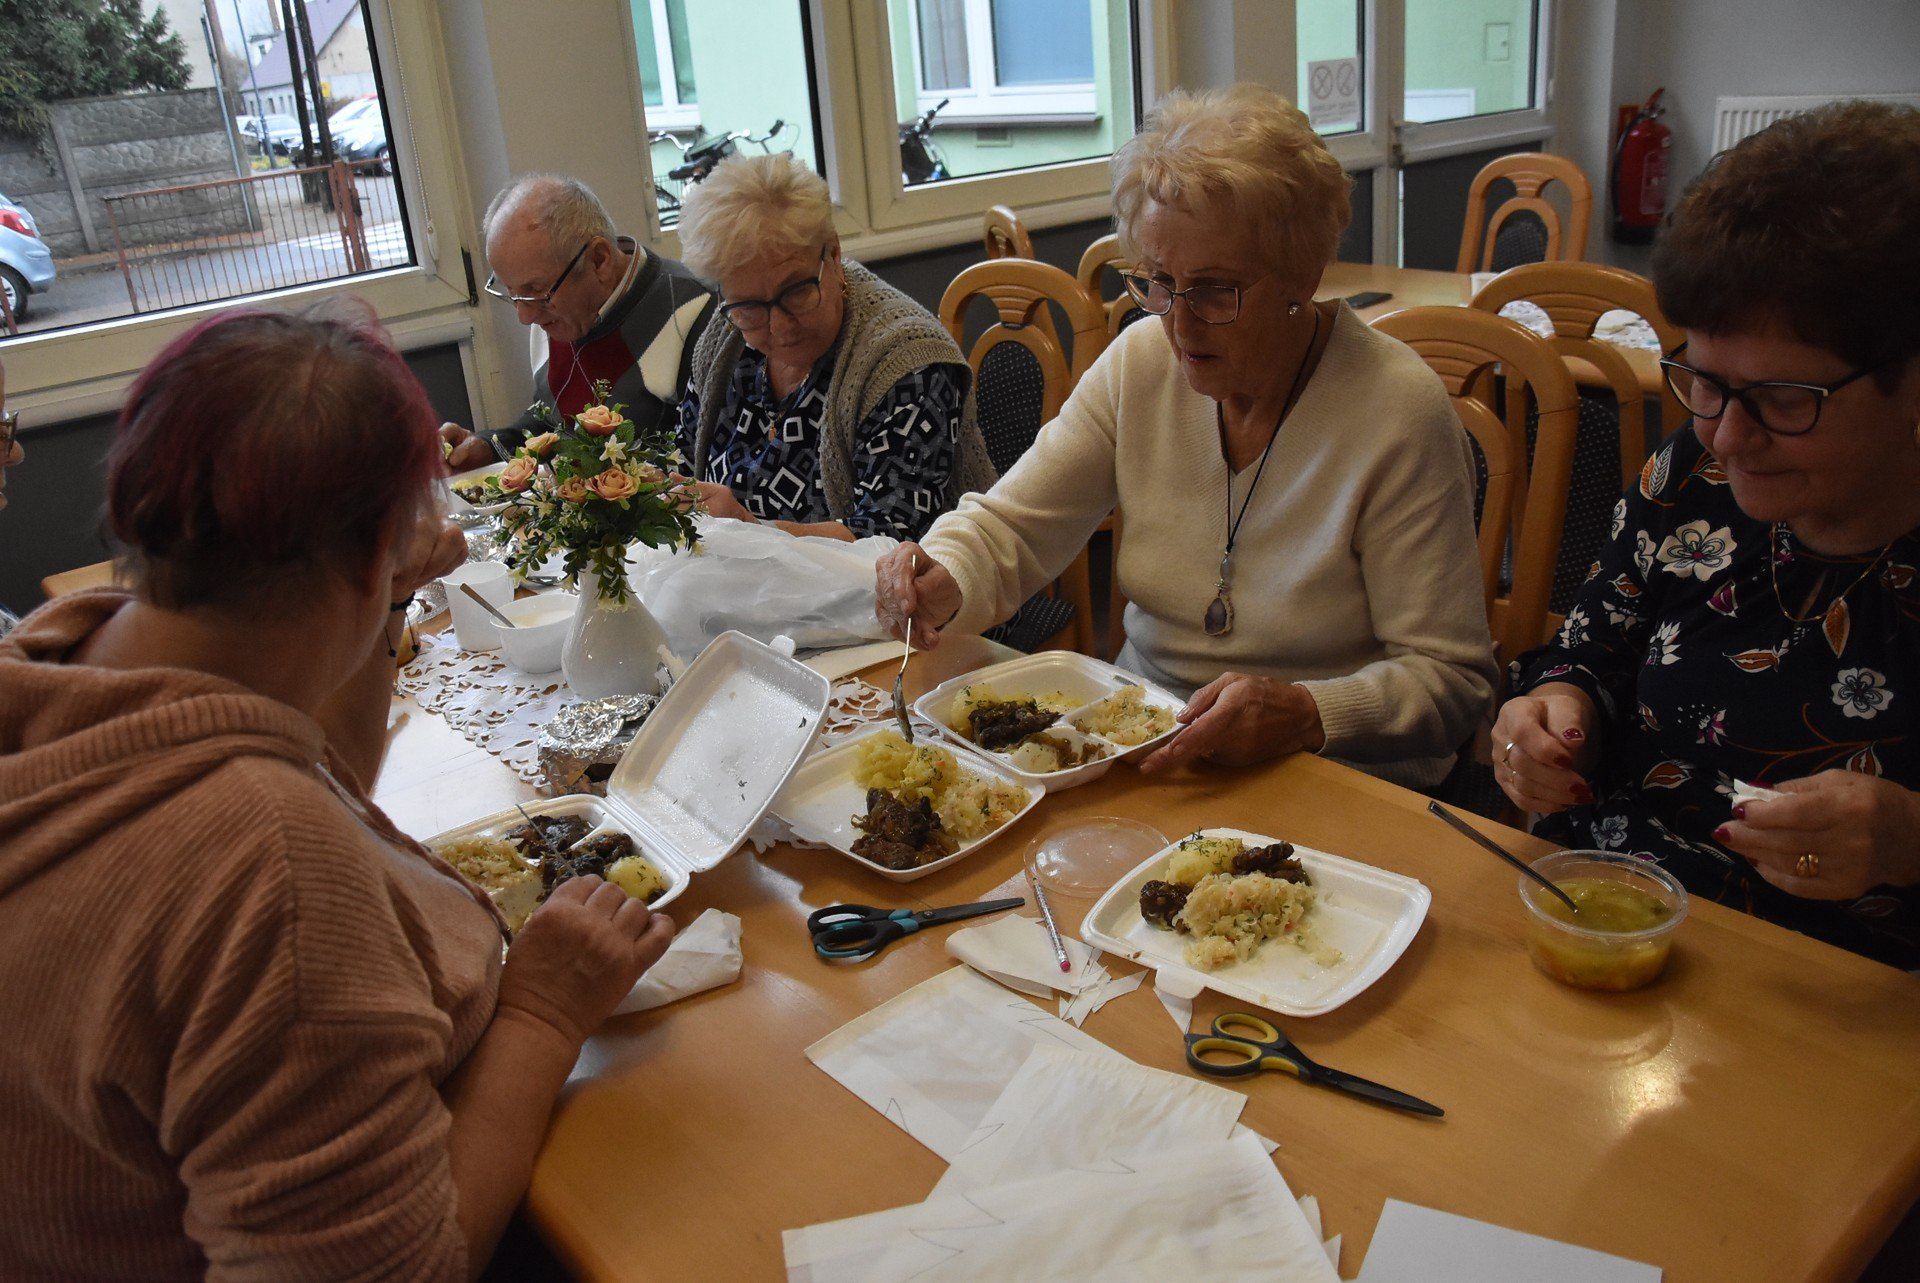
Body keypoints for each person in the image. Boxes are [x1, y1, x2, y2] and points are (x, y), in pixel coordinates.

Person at [0, 307, 675, 1277]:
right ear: (366, 554)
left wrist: (387, 594)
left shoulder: (65, 651)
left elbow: (317, 770)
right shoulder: (271, 870)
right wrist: (542, 1014)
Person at [874, 85, 1496, 787]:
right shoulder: (1141, 364)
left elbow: (1451, 681)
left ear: (1304, 273)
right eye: (1158, 282)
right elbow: (1011, 527)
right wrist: (943, 572)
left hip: (1331, 771)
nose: (1178, 322)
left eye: (1215, 289)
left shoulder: (1397, 411)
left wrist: (1305, 711)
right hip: (1145, 739)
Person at [1494, 100, 1920, 967]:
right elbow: (1588, 654)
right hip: (1608, 913)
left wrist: (1910, 837)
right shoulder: (1694, 472)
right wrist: (1555, 713)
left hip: (1835, 982)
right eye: (1704, 380)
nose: (1726, 436)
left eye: (1785, 399)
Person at [673, 152, 995, 541]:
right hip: (742, 571)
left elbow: (889, 537)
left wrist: (749, 529)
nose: (779, 327)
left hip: (898, 576)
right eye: (751, 307)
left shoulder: (908, 363)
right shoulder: (726, 338)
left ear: (834, 254)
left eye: (796, 291)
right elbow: (683, 458)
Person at [441, 174, 716, 469]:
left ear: (599, 260)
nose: (525, 316)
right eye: (513, 293)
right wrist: (488, 448)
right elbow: (552, 423)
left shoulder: (697, 311)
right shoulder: (551, 311)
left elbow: (712, 466)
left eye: (535, 290)